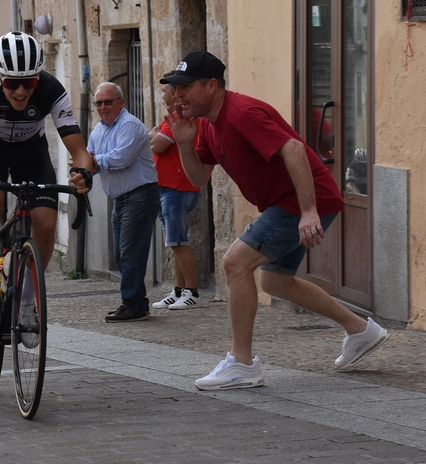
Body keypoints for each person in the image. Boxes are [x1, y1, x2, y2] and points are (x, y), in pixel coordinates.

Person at [162, 50, 389, 391]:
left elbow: (294, 149)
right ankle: (361, 330)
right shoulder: (207, 125)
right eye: (176, 88)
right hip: (289, 202)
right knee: (275, 282)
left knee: (236, 263)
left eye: (185, 86)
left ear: (211, 85)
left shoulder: (241, 112)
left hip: (301, 200)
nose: (178, 94)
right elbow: (198, 178)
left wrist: (308, 211)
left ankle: (241, 364)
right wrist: (183, 143)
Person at [0, 31, 93, 335]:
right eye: (12, 83)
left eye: (29, 82)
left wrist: (83, 172)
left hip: (31, 152)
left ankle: (27, 300)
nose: (21, 91)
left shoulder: (51, 88)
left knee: (45, 222)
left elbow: (80, 152)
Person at [87, 82, 160, 322]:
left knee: (130, 253)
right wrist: (85, 166)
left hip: (139, 196)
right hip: (120, 199)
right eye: (99, 103)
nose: (103, 107)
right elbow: (90, 162)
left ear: (121, 102)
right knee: (123, 254)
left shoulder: (130, 125)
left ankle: (134, 305)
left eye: (108, 102)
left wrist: (94, 161)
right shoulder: (98, 131)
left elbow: (121, 159)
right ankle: (136, 303)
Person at [148, 76, 203, 310]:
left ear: (172, 94)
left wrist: (152, 134)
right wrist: (153, 134)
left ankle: (192, 291)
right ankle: (179, 289)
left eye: (164, 91)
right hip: (167, 187)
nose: (162, 95)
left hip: (177, 188)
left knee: (178, 241)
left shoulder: (178, 119)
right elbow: (154, 140)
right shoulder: (170, 119)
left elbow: (155, 145)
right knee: (174, 242)